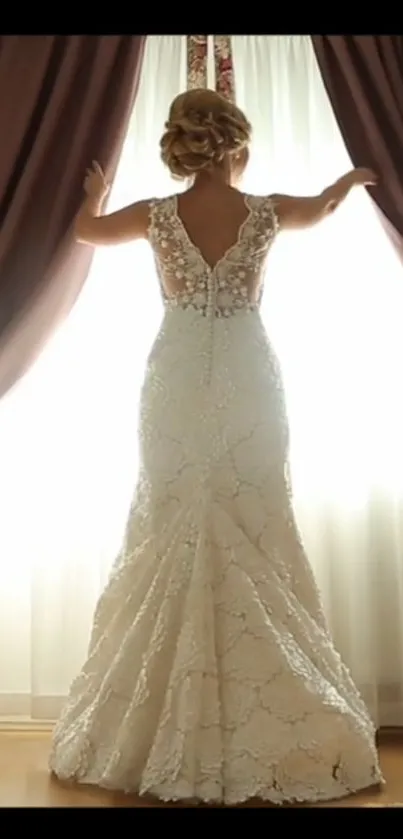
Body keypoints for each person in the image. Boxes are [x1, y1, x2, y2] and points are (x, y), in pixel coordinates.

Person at [49, 88, 383, 806]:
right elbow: (321, 209)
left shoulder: (150, 215)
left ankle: (148, 720)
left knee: (171, 517)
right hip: (246, 374)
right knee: (254, 521)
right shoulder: (264, 210)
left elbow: (84, 231)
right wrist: (343, 184)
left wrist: (98, 193)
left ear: (184, 146)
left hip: (172, 378)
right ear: (234, 144)